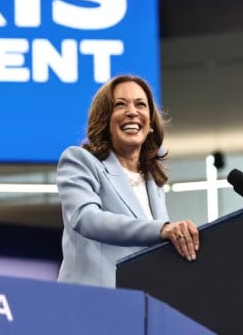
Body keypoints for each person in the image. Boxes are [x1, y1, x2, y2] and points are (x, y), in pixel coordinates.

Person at [56, 74, 199, 287]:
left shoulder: (154, 182)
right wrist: (162, 229)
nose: (132, 112)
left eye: (141, 105)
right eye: (120, 105)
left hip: (139, 305)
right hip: (88, 304)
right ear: (105, 119)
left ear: (150, 121)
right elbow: (86, 218)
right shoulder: (79, 160)